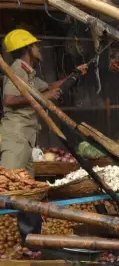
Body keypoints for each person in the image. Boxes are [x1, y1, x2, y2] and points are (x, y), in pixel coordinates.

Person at [1, 29, 87, 238]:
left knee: (27, 192)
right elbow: (9, 100)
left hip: (27, 139)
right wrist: (44, 97)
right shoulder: (16, 69)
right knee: (9, 189)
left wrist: (74, 74)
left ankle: (28, 239)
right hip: (15, 137)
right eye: (36, 45)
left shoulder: (28, 72)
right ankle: (6, 239)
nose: (39, 48)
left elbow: (49, 87)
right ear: (28, 48)